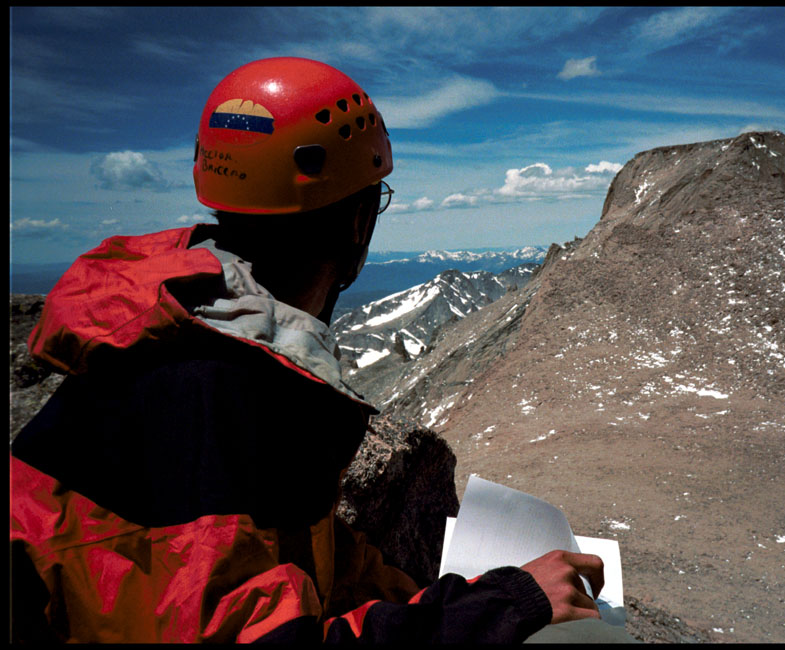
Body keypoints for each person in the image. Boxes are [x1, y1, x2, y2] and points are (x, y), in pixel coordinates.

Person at [9, 56, 609, 643]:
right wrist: (505, 605)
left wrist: (449, 595)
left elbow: (298, 552)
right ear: (357, 222)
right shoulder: (215, 392)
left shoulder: (183, 340)